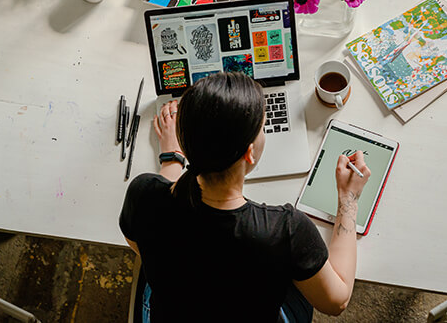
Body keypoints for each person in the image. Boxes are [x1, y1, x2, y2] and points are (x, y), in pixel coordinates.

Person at [119, 72, 370, 322]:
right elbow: (337, 301)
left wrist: (171, 156)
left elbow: (140, 245)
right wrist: (348, 199)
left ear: (186, 144)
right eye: (262, 128)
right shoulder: (284, 230)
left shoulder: (142, 194)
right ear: (249, 153)